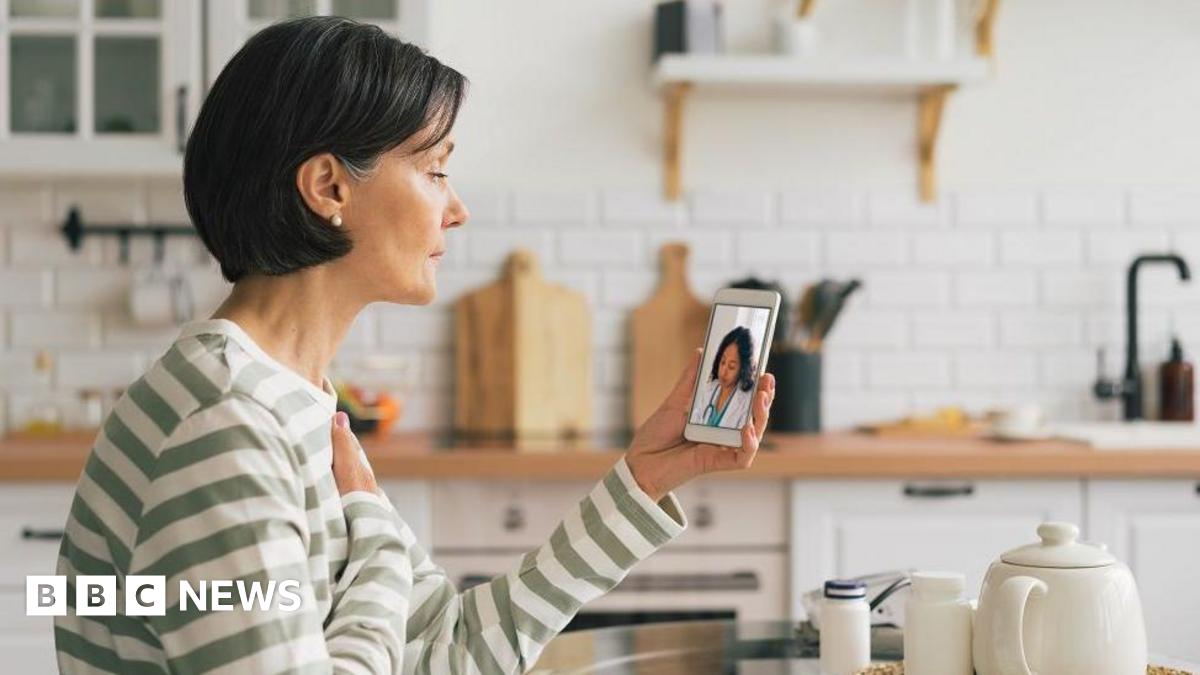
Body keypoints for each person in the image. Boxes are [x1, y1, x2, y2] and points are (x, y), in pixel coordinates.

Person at [52, 16, 776, 675]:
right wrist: (374, 548)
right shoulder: (223, 426)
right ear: (329, 186)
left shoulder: (293, 400)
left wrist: (640, 483)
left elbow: (448, 644)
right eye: (434, 170)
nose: (456, 209)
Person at [689, 326, 758, 429]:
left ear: (743, 369)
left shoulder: (747, 401)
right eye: (723, 362)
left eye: (731, 366)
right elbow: (695, 422)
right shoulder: (710, 389)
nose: (723, 371)